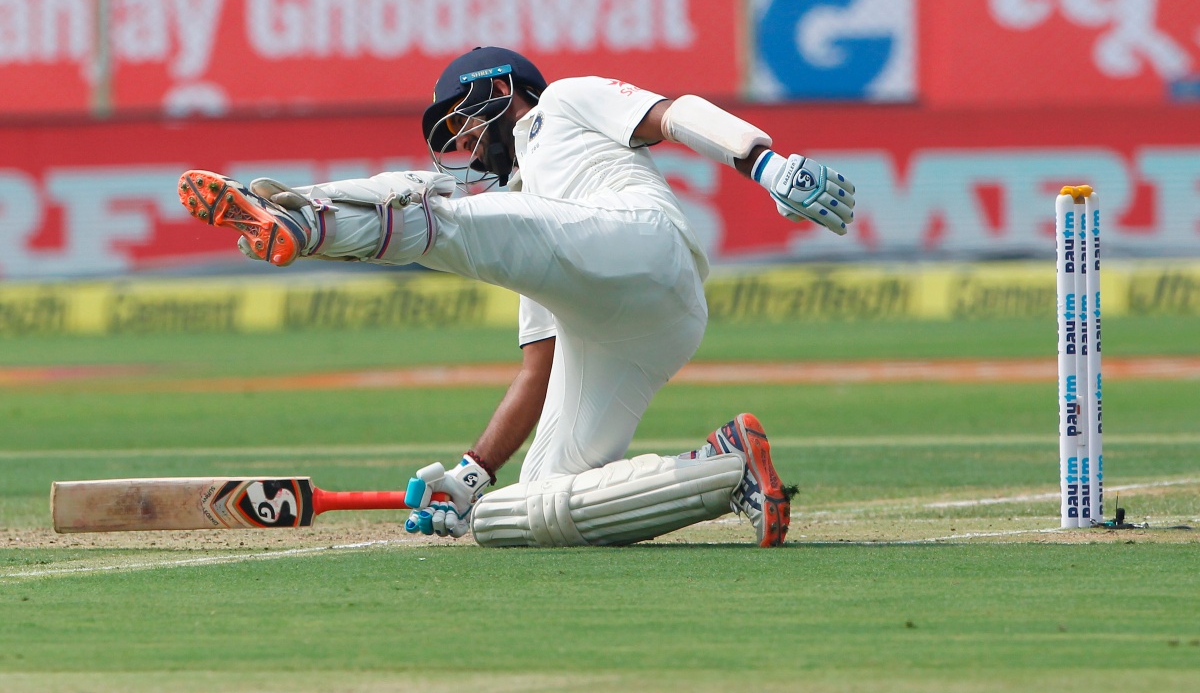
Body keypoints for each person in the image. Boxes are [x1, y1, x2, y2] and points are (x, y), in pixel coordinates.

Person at [178, 46, 856, 548]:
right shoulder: (522, 214)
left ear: (500, 87)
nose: (463, 141)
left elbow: (672, 116)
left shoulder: (563, 101)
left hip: (641, 245)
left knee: (439, 210)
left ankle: (304, 219)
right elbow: (539, 369)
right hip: (639, 326)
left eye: (462, 119)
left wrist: (764, 161)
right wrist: (472, 477)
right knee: (524, 515)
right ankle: (720, 468)